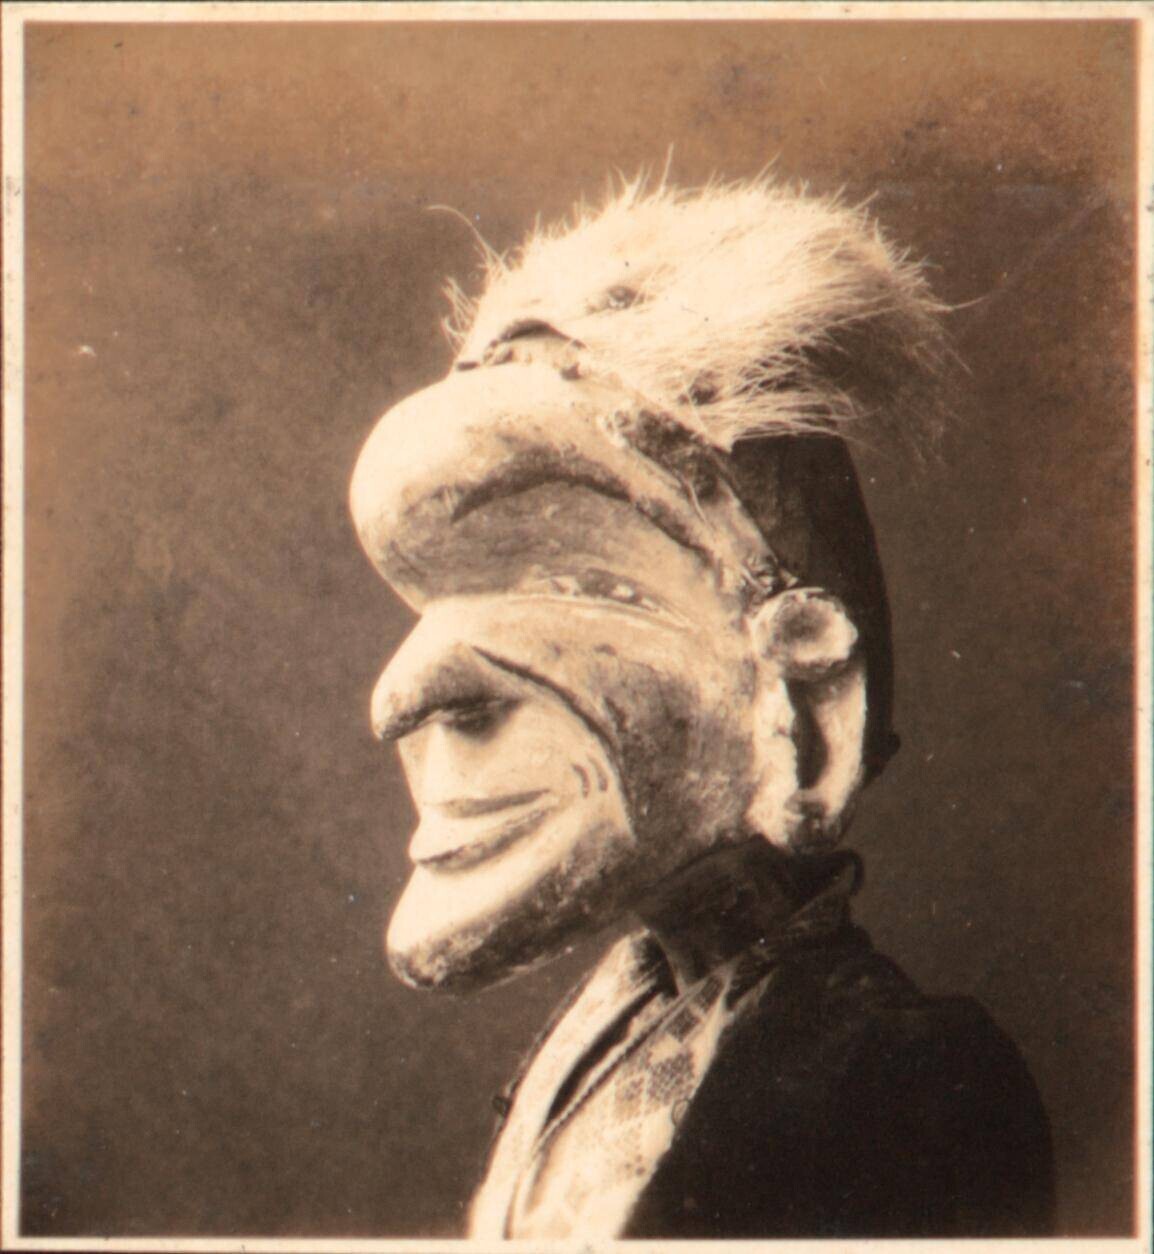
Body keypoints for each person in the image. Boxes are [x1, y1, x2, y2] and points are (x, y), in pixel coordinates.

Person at [348, 178, 1054, 1239]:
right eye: (431, 602)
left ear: (809, 700)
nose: (402, 697)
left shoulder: (899, 1083)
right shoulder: (620, 1017)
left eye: (564, 582)